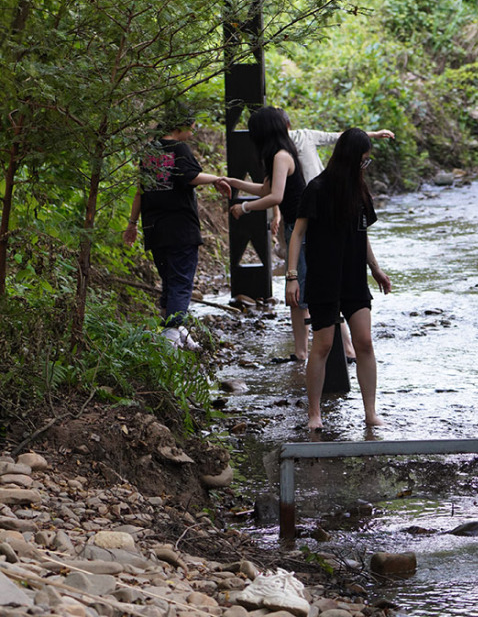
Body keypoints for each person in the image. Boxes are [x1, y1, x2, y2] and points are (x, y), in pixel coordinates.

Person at [285, 127, 391, 431]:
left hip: (354, 278)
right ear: (348, 158)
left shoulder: (359, 190)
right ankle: (314, 414)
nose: (364, 167)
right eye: (362, 161)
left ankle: (370, 412)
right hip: (323, 279)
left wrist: (376, 268)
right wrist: (293, 276)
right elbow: (298, 234)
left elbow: (362, 233)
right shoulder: (317, 189)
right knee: (322, 345)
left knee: (365, 342)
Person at [123, 105, 231, 350]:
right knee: (181, 282)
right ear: (180, 125)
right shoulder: (179, 149)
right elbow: (190, 176)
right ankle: (170, 340)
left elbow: (141, 190)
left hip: (155, 228)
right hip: (180, 228)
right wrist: (217, 179)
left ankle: (177, 332)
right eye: (191, 127)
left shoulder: (149, 151)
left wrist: (132, 224)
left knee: (170, 282)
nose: (192, 132)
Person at [225, 106, 310, 359]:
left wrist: (244, 207)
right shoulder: (280, 154)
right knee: (298, 291)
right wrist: (235, 183)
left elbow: (276, 196)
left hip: (301, 229)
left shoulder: (281, 156)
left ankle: (308, 352)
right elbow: (266, 190)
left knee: (299, 290)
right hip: (295, 227)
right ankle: (301, 352)